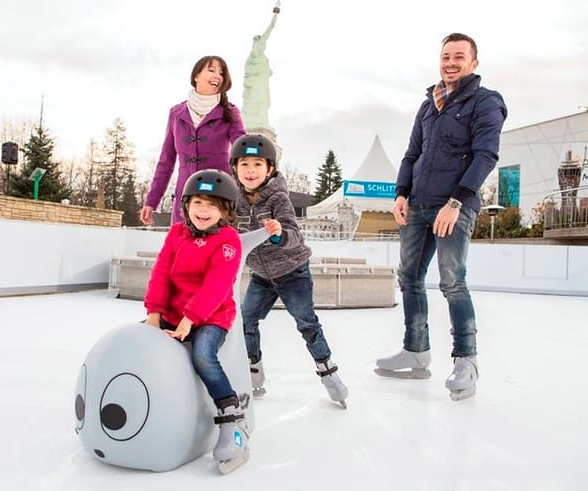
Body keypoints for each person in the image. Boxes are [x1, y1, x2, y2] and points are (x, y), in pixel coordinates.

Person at [375, 33, 507, 401]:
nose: (450, 62)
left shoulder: (485, 101)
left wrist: (457, 202)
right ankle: (415, 352)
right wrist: (401, 193)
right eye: (446, 56)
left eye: (459, 56)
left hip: (453, 205)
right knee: (410, 278)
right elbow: (410, 154)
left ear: (474, 63)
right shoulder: (429, 104)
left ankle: (466, 360)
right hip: (417, 204)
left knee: (452, 281)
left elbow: (485, 155)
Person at [230, 133, 349, 409]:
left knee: (307, 323)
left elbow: (295, 234)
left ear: (270, 169)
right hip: (261, 275)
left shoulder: (278, 198)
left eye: (258, 165)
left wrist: (280, 234)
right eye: (245, 164)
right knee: (246, 320)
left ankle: (328, 373)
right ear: (235, 168)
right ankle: (253, 372)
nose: (251, 171)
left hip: (292, 272)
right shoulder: (234, 201)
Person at [143, 169, 249, 473]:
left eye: (212, 205)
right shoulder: (177, 233)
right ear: (186, 204)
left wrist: (190, 320)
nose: (203, 211)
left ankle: (232, 417)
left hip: (212, 315)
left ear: (225, 211)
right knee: (144, 345)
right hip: (174, 312)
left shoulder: (229, 240)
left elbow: (217, 285)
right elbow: (161, 273)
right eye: (198, 203)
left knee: (202, 355)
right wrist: (154, 315)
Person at [140, 56, 246, 225]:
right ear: (196, 76)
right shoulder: (176, 113)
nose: (218, 76)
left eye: (221, 73)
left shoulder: (230, 112)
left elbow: (243, 152)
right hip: (186, 196)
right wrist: (151, 201)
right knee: (182, 248)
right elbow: (166, 161)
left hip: (219, 197)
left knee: (217, 248)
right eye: (211, 70)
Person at [241, 3, 280, 131]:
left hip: (258, 84)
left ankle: (259, 122)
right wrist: (275, 16)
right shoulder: (256, 53)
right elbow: (268, 32)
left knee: (261, 104)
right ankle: (255, 123)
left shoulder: (254, 57)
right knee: (259, 103)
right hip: (256, 85)